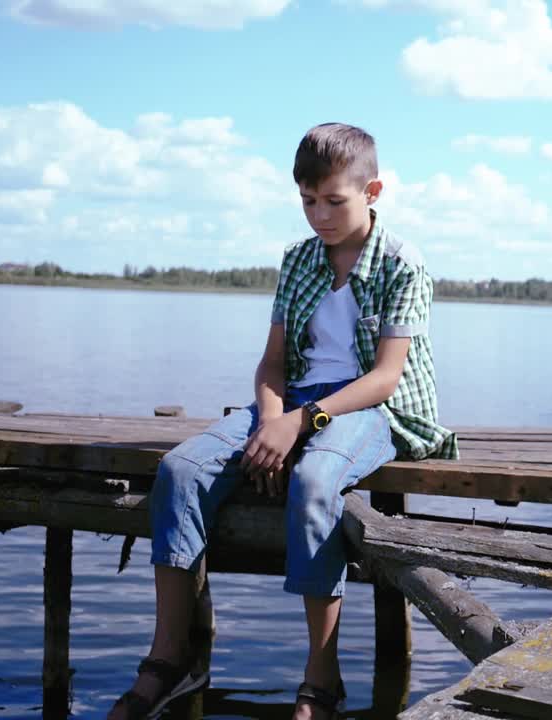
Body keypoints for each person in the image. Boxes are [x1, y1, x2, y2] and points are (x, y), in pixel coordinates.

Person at [109, 123, 458, 720]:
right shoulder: (298, 260)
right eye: (307, 201)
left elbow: (384, 378)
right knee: (181, 469)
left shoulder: (403, 262)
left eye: (333, 201)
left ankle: (322, 678)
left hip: (374, 408)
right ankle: (172, 660)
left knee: (315, 481)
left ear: (372, 191)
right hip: (296, 398)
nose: (318, 216)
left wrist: (300, 424)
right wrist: (272, 418)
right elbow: (272, 364)